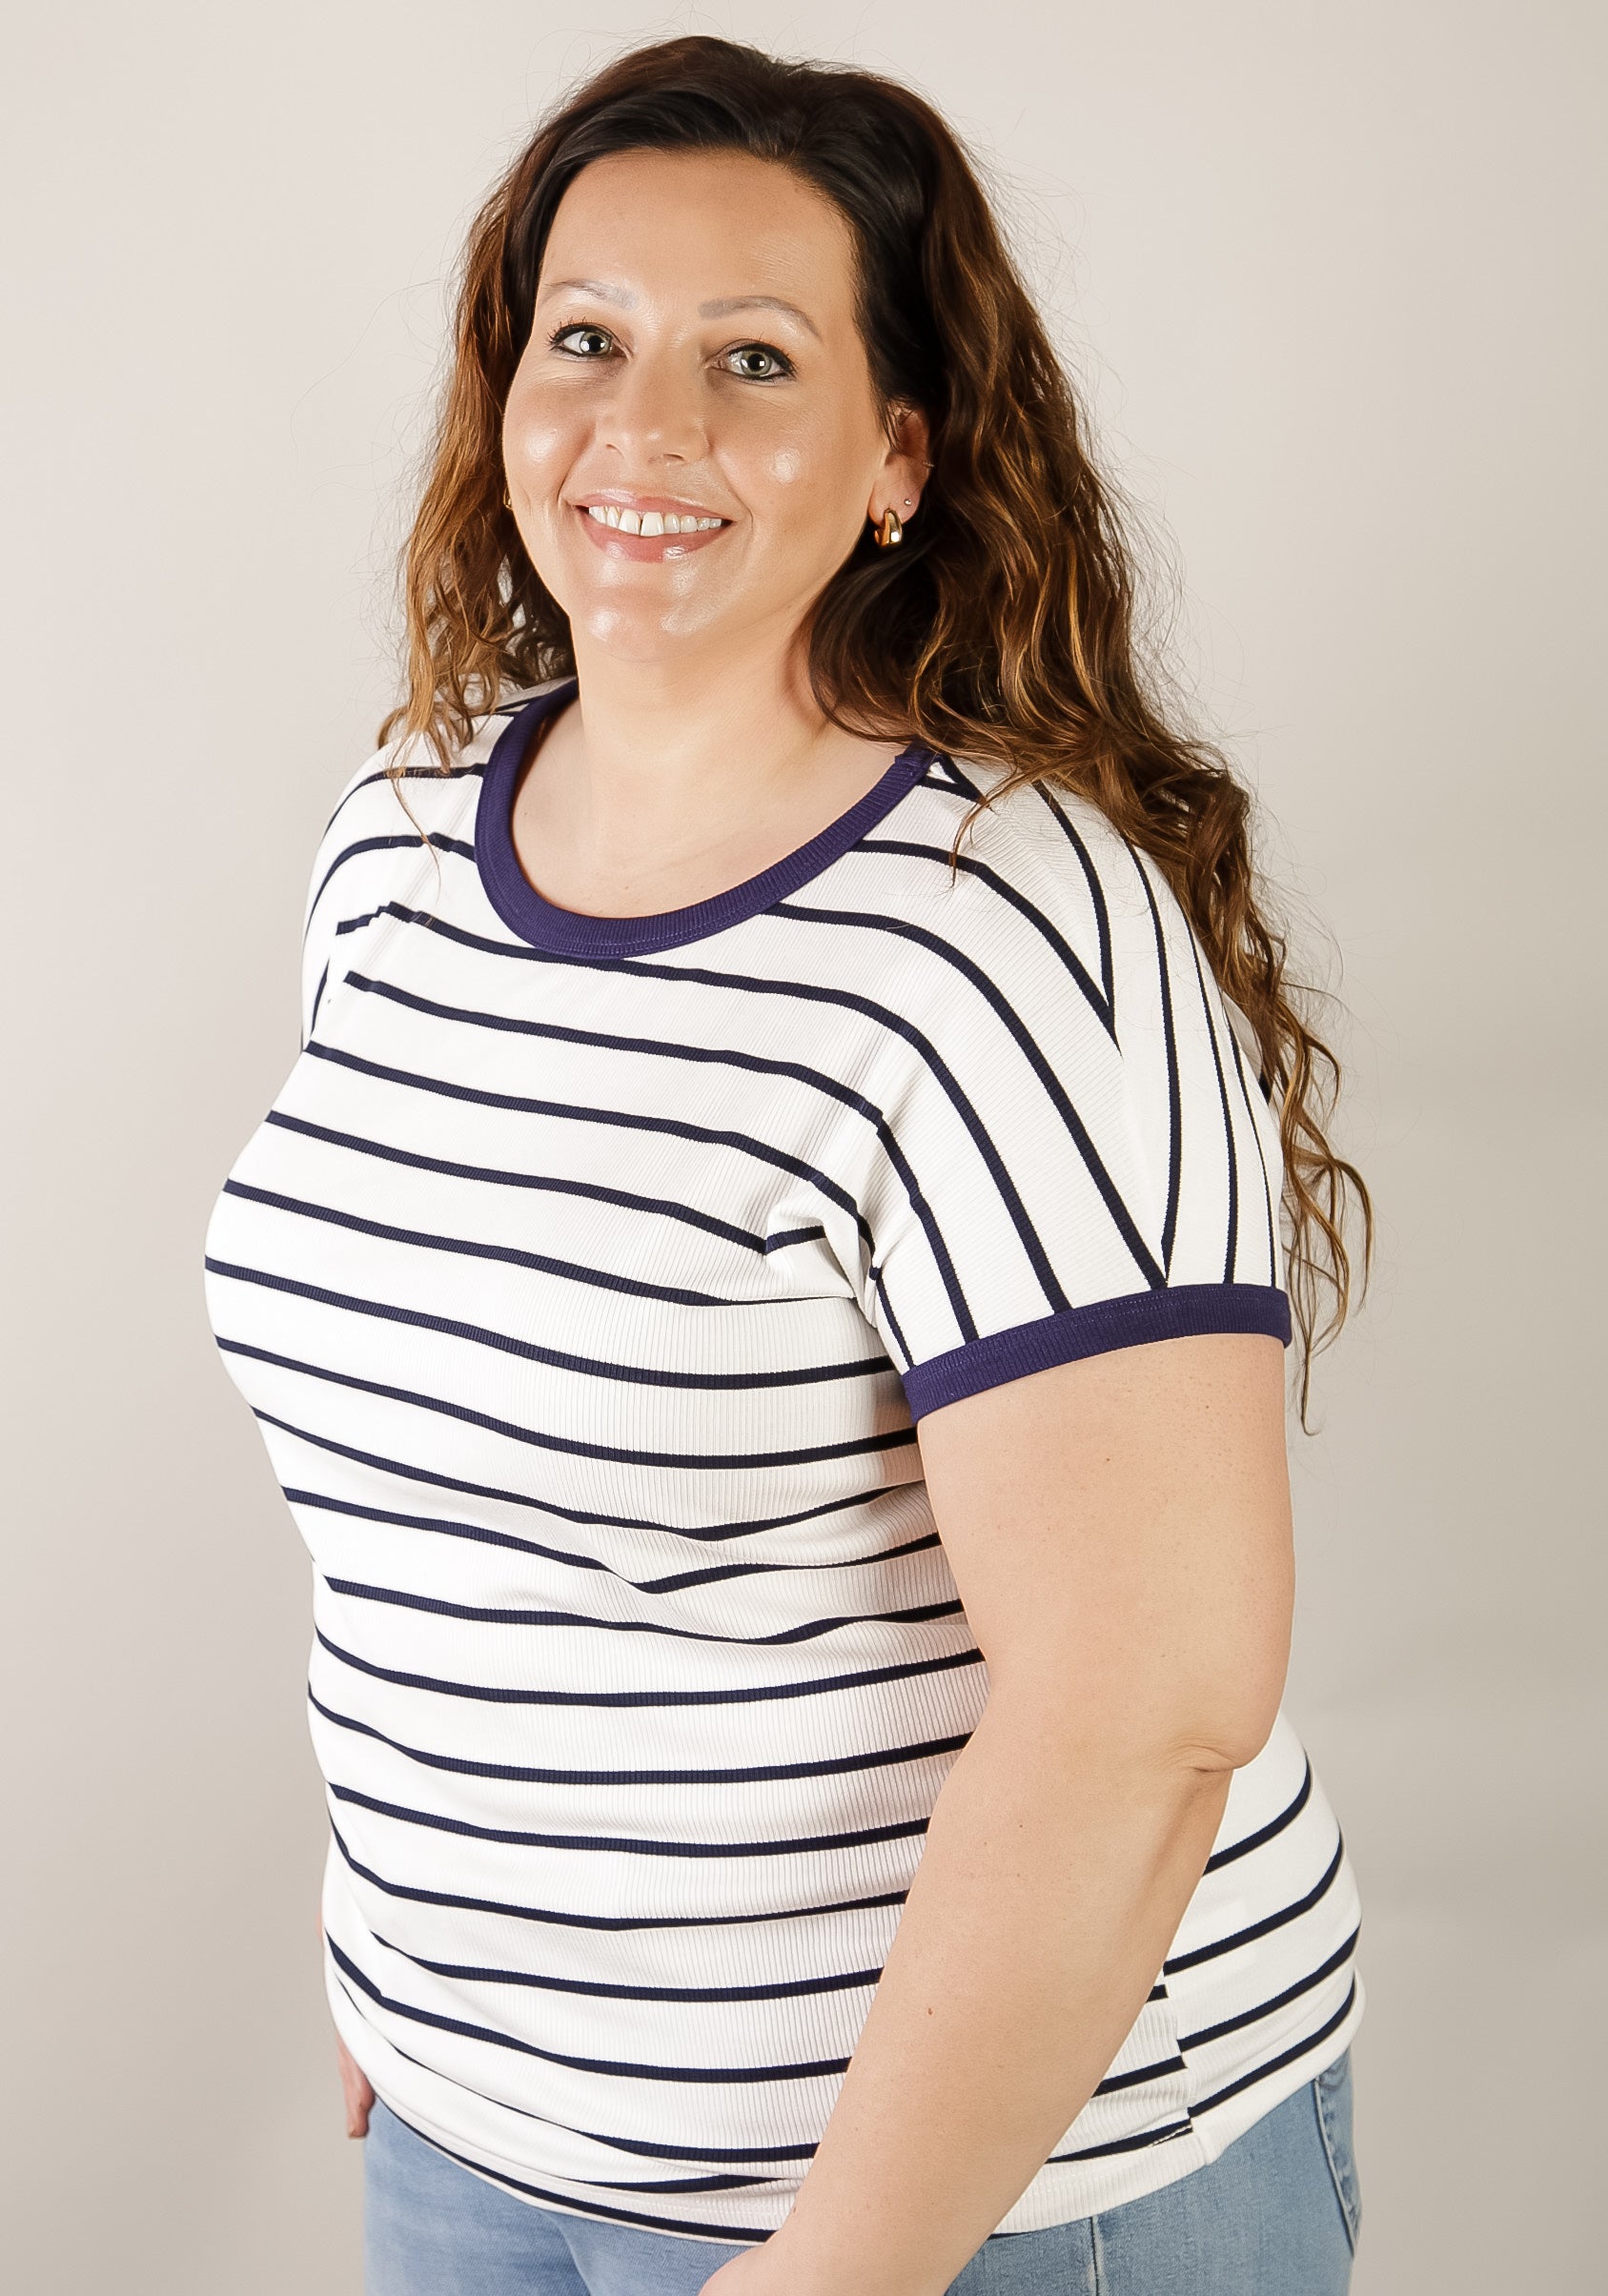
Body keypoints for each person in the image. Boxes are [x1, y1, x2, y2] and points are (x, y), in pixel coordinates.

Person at [205, 33, 1370, 2296]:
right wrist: (414, 1956)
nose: (642, 426)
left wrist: (842, 2260)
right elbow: (429, 1433)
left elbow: (1144, 1705)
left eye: (752, 359)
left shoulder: (1004, 935)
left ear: (897, 453)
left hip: (969, 2203)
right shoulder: (406, 832)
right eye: (585, 339)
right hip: (477, 2135)